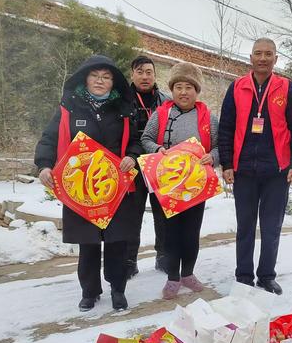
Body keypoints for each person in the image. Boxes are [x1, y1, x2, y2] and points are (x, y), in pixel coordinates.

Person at [35, 55, 141, 312]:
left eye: (106, 77)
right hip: (81, 187)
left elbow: (136, 141)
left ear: (113, 83)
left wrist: (131, 157)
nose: (100, 81)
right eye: (95, 76)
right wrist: (44, 165)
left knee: (117, 241)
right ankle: (89, 291)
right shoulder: (69, 108)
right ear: (85, 78)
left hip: (113, 187)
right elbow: (49, 138)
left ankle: (118, 288)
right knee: (89, 242)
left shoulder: (124, 110)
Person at [218, 37, 292, 295]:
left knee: (271, 228)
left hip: (277, 172)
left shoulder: (286, 88)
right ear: (251, 58)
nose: (263, 58)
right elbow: (225, 128)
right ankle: (243, 276)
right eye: (258, 53)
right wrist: (227, 164)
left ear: (276, 59)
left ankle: (267, 276)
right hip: (244, 170)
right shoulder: (237, 88)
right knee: (245, 227)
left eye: (268, 54)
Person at [141, 62, 219, 299]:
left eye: (189, 87)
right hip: (168, 186)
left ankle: (188, 273)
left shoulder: (207, 117)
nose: (183, 92)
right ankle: (173, 277)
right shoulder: (161, 113)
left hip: (195, 186)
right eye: (178, 87)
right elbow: (145, 138)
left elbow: (219, 147)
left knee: (191, 232)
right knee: (171, 234)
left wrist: (212, 156)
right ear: (172, 90)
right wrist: (157, 149)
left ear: (197, 91)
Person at [127, 56, 170, 279]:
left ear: (155, 75)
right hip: (132, 166)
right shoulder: (122, 100)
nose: (145, 76)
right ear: (132, 74)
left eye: (149, 72)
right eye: (140, 72)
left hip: (158, 166)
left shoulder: (165, 101)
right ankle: (129, 262)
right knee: (131, 216)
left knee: (162, 215)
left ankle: (163, 257)